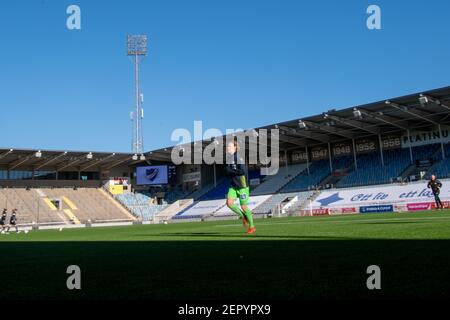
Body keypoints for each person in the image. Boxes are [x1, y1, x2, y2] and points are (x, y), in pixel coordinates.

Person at [225, 140, 256, 234]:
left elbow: (242, 171)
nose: (227, 148)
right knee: (229, 203)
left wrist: (230, 171)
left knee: (244, 206)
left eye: (229, 146)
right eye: (227, 146)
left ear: (235, 147)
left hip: (242, 185)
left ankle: (252, 227)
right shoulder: (229, 158)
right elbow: (230, 172)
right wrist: (227, 172)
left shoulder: (238, 157)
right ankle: (243, 216)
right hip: (233, 185)